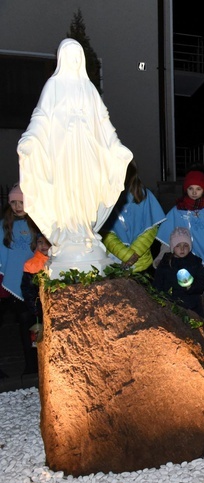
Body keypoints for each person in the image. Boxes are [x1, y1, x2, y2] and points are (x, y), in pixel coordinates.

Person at [17, 38, 132, 266]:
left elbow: (103, 121)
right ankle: (69, 236)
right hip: (63, 153)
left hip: (87, 151)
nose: (74, 59)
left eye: (77, 56)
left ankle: (84, 232)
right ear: (62, 59)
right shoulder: (54, 86)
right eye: (70, 55)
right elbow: (41, 117)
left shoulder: (88, 88)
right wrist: (29, 140)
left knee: (87, 191)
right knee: (67, 191)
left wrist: (116, 145)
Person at [155, 168, 204, 324]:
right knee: (181, 304)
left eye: (198, 189)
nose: (194, 192)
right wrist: (162, 259)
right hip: (178, 265)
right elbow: (168, 240)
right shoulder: (176, 211)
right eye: (190, 188)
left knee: (203, 304)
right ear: (185, 189)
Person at [100, 160, 166, 274]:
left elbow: (151, 230)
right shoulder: (105, 199)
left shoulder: (145, 196)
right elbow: (106, 233)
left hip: (142, 264)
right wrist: (127, 255)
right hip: (115, 262)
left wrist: (135, 254)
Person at [0, 184, 37, 375]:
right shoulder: (5, 224)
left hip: (32, 280)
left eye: (21, 202)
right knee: (21, 323)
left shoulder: (37, 223)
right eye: (13, 202)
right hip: (11, 282)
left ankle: (34, 364)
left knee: (32, 324)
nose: (17, 206)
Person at [153, 227, 204, 317]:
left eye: (185, 245)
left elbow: (203, 279)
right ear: (172, 247)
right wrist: (159, 298)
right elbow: (158, 282)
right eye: (178, 246)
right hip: (171, 304)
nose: (182, 249)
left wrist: (192, 287)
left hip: (192, 304)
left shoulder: (194, 262)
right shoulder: (166, 263)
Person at [21, 232, 51, 328]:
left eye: (47, 242)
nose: (43, 245)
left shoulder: (59, 261)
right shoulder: (30, 264)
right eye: (40, 242)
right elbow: (27, 289)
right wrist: (35, 310)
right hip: (39, 308)